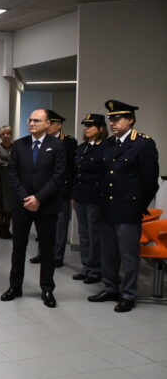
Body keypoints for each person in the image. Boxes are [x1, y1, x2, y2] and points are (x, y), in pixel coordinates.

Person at [88, 100, 159, 312]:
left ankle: (128, 294)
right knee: (108, 252)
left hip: (128, 209)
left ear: (131, 120)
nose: (113, 122)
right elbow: (103, 175)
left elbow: (149, 182)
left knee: (128, 255)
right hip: (107, 208)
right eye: (111, 118)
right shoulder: (109, 144)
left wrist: (137, 206)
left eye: (117, 118)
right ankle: (111, 288)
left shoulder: (143, 144)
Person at [0, 108, 65, 308]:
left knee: (46, 249)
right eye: (30, 120)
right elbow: (12, 175)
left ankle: (47, 289)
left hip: (46, 206)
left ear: (48, 124)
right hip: (22, 205)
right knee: (18, 248)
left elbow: (59, 175)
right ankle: (15, 286)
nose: (32, 123)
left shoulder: (58, 145)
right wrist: (26, 198)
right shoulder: (19, 145)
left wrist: (39, 198)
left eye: (37, 120)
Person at [30, 110, 77, 266]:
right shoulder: (43, 140)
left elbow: (71, 169)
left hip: (61, 190)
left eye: (51, 123)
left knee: (60, 225)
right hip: (44, 190)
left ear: (59, 125)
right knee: (42, 224)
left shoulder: (69, 142)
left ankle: (57, 256)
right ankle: (41, 253)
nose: (48, 126)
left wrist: (71, 192)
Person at [71, 114, 108, 285]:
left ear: (101, 129)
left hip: (95, 198)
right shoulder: (81, 147)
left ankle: (96, 269)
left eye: (91, 125)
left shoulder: (106, 148)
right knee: (84, 234)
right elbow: (75, 174)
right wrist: (73, 195)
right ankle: (86, 267)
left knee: (95, 235)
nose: (86, 128)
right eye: (85, 125)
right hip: (80, 197)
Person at [0, 125, 14, 239]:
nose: (6, 136)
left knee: (10, 205)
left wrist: (7, 163)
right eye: (3, 134)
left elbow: (17, 162)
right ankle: (2, 229)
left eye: (8, 133)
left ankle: (7, 227)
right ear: (0, 136)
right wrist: (9, 163)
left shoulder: (15, 147)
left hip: (11, 179)